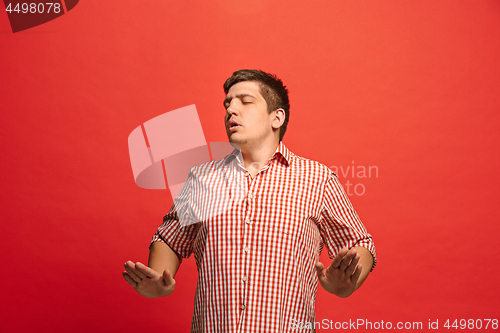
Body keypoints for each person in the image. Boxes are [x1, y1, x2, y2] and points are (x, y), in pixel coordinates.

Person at [123, 69, 376, 332]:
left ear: (276, 118)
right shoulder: (201, 178)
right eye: (228, 103)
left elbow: (360, 243)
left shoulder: (318, 179)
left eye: (245, 101)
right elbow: (170, 238)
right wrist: (157, 279)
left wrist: (346, 283)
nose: (231, 109)